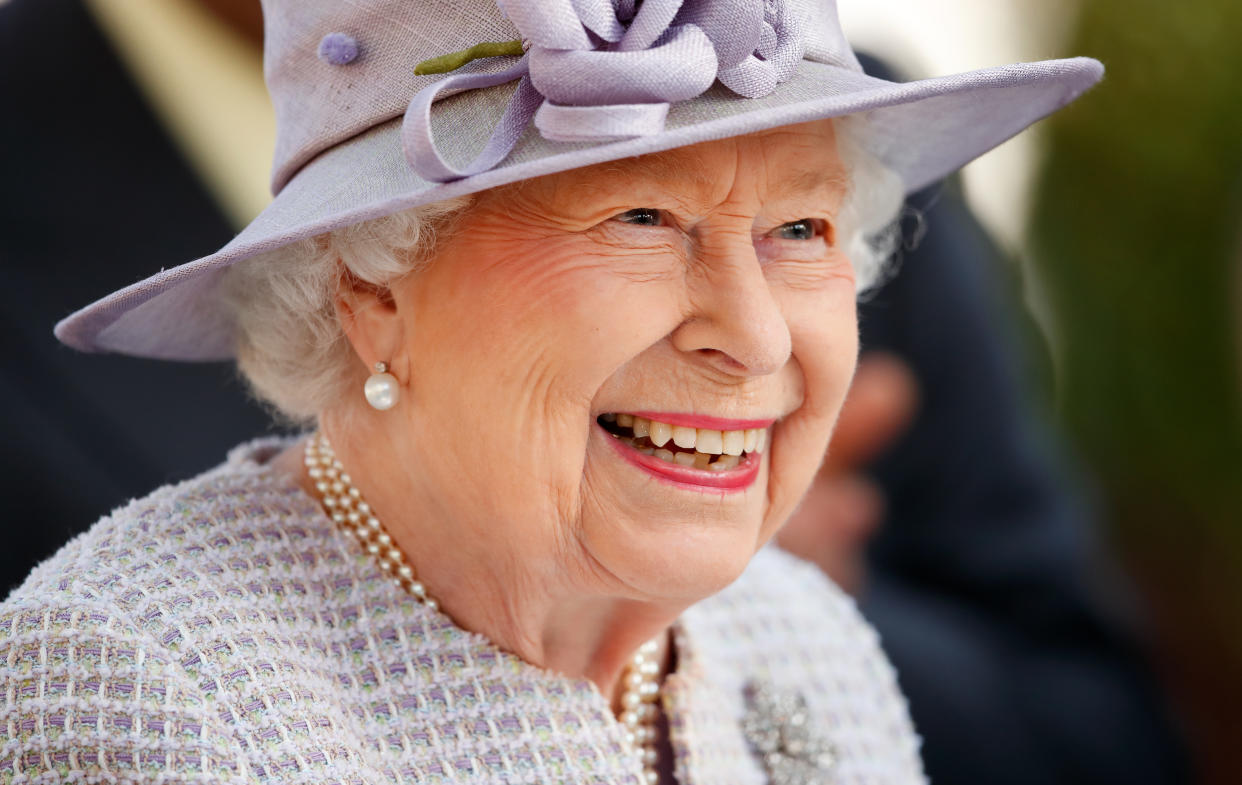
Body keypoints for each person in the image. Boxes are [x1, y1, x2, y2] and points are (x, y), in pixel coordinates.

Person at [0, 0, 1103, 782]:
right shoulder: (141, 686)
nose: (756, 335)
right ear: (369, 289)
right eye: (640, 218)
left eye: (801, 229)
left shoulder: (806, 637)